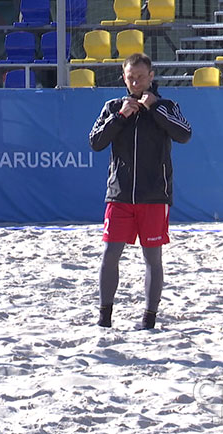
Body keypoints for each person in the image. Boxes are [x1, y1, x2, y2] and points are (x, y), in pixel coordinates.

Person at [89, 53, 192, 330]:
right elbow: (96, 142)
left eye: (140, 77)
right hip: (119, 195)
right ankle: (105, 317)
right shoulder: (113, 107)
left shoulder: (166, 105)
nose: (135, 82)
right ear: (123, 77)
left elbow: (184, 134)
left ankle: (149, 319)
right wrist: (121, 117)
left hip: (154, 196)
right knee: (110, 254)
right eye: (130, 77)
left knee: (152, 258)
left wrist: (155, 108)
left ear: (151, 77)